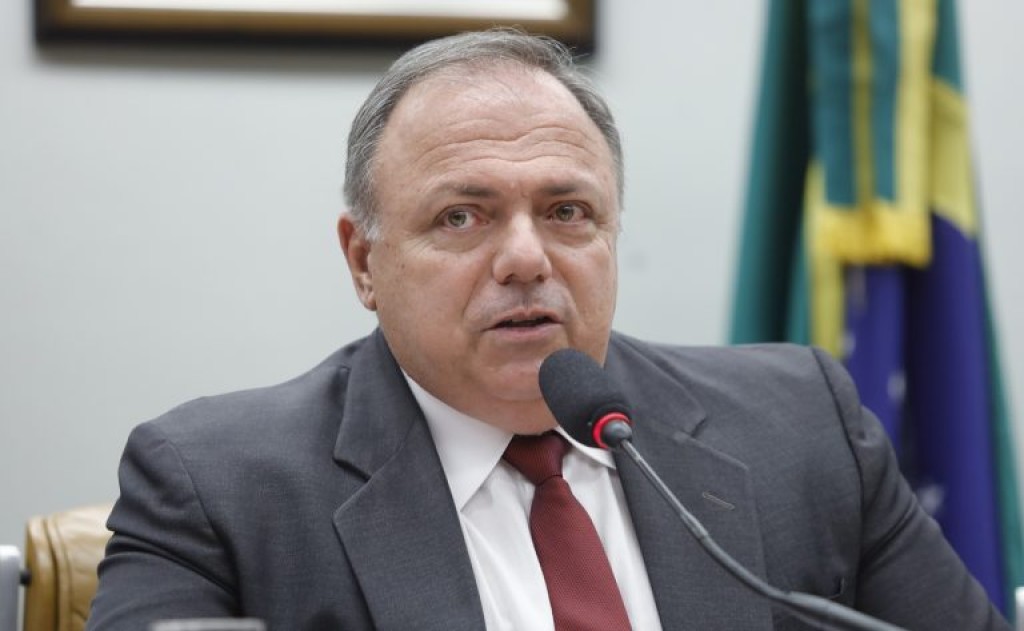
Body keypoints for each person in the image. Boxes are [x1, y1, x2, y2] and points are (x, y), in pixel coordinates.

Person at [87, 29, 1010, 631]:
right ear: (363, 261)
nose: (527, 258)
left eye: (567, 211)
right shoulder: (216, 488)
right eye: (462, 216)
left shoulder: (804, 427)